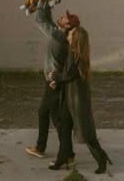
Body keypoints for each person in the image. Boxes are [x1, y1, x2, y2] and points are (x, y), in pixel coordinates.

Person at [48, 25, 112, 174]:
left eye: (70, 33)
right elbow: (68, 74)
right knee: (64, 128)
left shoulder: (76, 54)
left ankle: (101, 157)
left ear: (75, 38)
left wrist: (56, 76)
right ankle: (62, 157)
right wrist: (57, 81)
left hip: (77, 99)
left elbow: (69, 74)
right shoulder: (73, 53)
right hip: (69, 97)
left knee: (86, 131)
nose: (68, 33)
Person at [26, 0, 79, 164]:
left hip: (53, 82)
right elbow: (48, 20)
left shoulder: (58, 37)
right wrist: (48, 2)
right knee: (48, 114)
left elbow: (40, 20)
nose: (62, 17)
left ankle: (62, 153)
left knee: (55, 119)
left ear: (66, 26)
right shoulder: (60, 34)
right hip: (52, 81)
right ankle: (50, 149)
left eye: (65, 18)